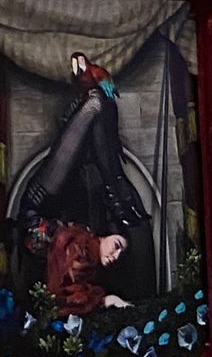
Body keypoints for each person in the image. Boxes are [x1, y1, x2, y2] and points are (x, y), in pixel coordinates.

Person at [14, 51, 153, 299]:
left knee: (97, 103)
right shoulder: (92, 237)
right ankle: (116, 187)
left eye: (114, 258)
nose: (114, 254)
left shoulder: (85, 266)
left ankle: (115, 186)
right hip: (50, 201)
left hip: (36, 210)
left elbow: (67, 294)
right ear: (113, 235)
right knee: (98, 103)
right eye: (119, 247)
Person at [38, 222, 129, 320]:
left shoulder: (95, 271)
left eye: (121, 255)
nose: (116, 256)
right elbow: (63, 289)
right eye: (116, 245)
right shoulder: (79, 246)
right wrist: (102, 300)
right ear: (105, 236)